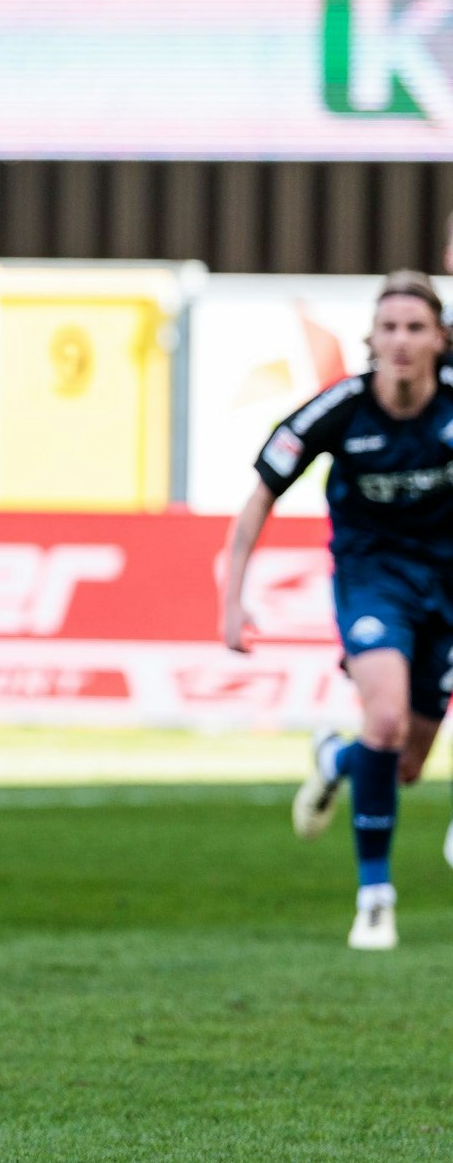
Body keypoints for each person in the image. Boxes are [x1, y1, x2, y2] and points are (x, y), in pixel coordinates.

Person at [221, 271, 453, 951]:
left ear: (440, 340)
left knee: (403, 764)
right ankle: (375, 899)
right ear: (371, 340)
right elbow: (261, 493)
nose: (402, 341)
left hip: (447, 588)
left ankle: (335, 759)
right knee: (383, 720)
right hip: (373, 581)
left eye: (416, 328)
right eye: (390, 328)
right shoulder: (339, 410)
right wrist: (230, 600)